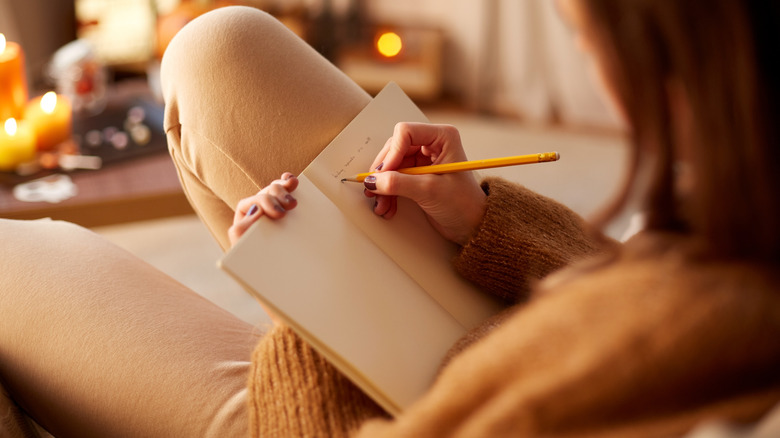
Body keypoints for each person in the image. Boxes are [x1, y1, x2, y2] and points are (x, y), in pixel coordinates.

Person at [1, 1, 778, 437]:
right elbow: (623, 297)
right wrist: (483, 219)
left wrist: (303, 311)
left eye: (584, 36)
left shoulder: (714, 340)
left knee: (14, 261)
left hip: (345, 421)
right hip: (492, 333)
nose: (594, 70)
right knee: (220, 48)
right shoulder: (740, 222)